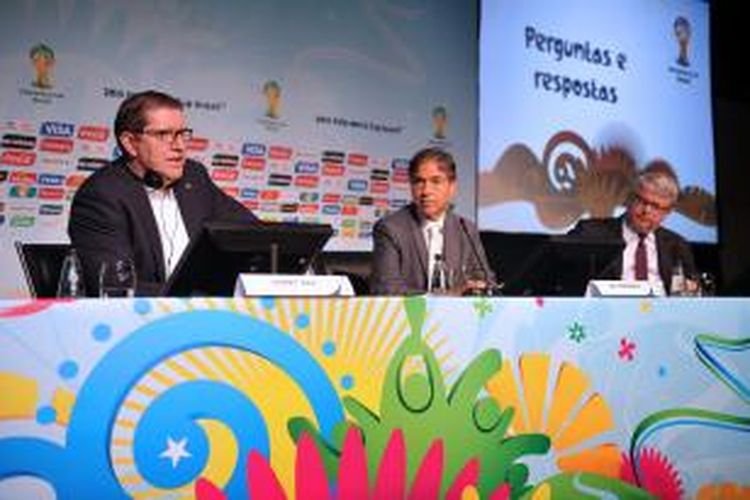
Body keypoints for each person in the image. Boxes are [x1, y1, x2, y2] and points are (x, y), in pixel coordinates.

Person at [68, 90, 258, 296]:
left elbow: (253, 233)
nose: (178, 146)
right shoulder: (101, 196)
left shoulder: (194, 177)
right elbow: (115, 286)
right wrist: (202, 299)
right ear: (130, 143)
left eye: (182, 134)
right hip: (142, 321)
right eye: (163, 135)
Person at [370, 147, 496, 295]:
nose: (426, 191)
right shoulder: (391, 229)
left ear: (451, 187)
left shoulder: (465, 228)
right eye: (419, 182)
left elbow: (484, 278)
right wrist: (446, 297)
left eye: (436, 181)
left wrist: (480, 287)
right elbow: (386, 288)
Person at [568, 160, 697, 295]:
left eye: (656, 206)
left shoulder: (677, 245)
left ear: (667, 212)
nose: (646, 211)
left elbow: (690, 291)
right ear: (630, 199)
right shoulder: (591, 232)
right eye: (642, 201)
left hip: (662, 313)